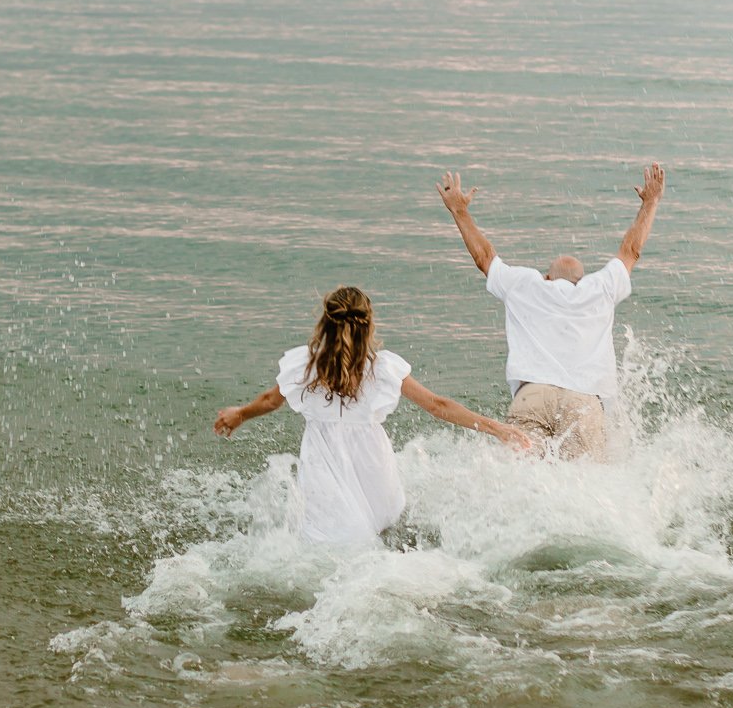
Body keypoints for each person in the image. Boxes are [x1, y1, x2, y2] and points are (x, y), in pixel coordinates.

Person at [212, 286, 531, 543]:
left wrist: (240, 414)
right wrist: (496, 428)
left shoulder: (306, 366)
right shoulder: (383, 367)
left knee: (330, 540)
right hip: (372, 463)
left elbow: (270, 401)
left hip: (325, 463)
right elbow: (438, 405)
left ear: (324, 324)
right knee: (383, 532)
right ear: (369, 325)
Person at [436, 162, 665, 459]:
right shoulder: (600, 287)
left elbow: (484, 257)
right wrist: (651, 202)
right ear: (580, 280)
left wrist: (460, 210)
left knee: (523, 481)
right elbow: (631, 250)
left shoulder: (526, 284)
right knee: (585, 487)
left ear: (546, 277)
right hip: (583, 401)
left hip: (532, 396)